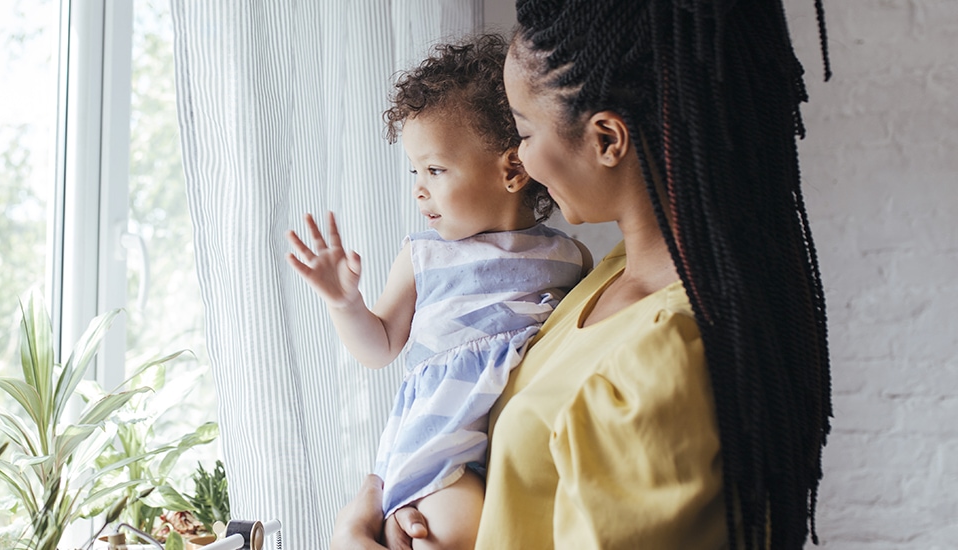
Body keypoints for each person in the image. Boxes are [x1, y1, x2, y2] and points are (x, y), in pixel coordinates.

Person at [330, 0, 834, 548]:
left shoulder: (663, 363)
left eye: (523, 132)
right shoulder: (598, 277)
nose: (523, 162)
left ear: (606, 140)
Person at [288, 34, 589, 550]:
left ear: (512, 170)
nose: (418, 188)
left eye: (435, 169)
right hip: (440, 446)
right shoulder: (425, 256)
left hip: (517, 444)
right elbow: (379, 347)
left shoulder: (568, 258)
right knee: (458, 527)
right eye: (415, 171)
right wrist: (345, 303)